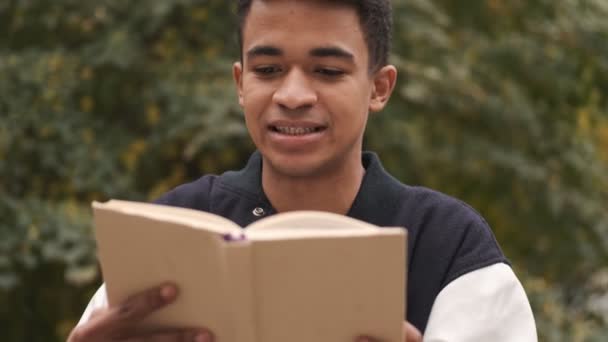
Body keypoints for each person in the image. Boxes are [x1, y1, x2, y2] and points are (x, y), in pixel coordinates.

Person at [68, 0, 537, 341]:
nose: (292, 95)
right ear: (239, 82)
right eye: (268, 69)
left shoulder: (449, 247)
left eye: (328, 71)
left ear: (378, 87)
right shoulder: (171, 227)